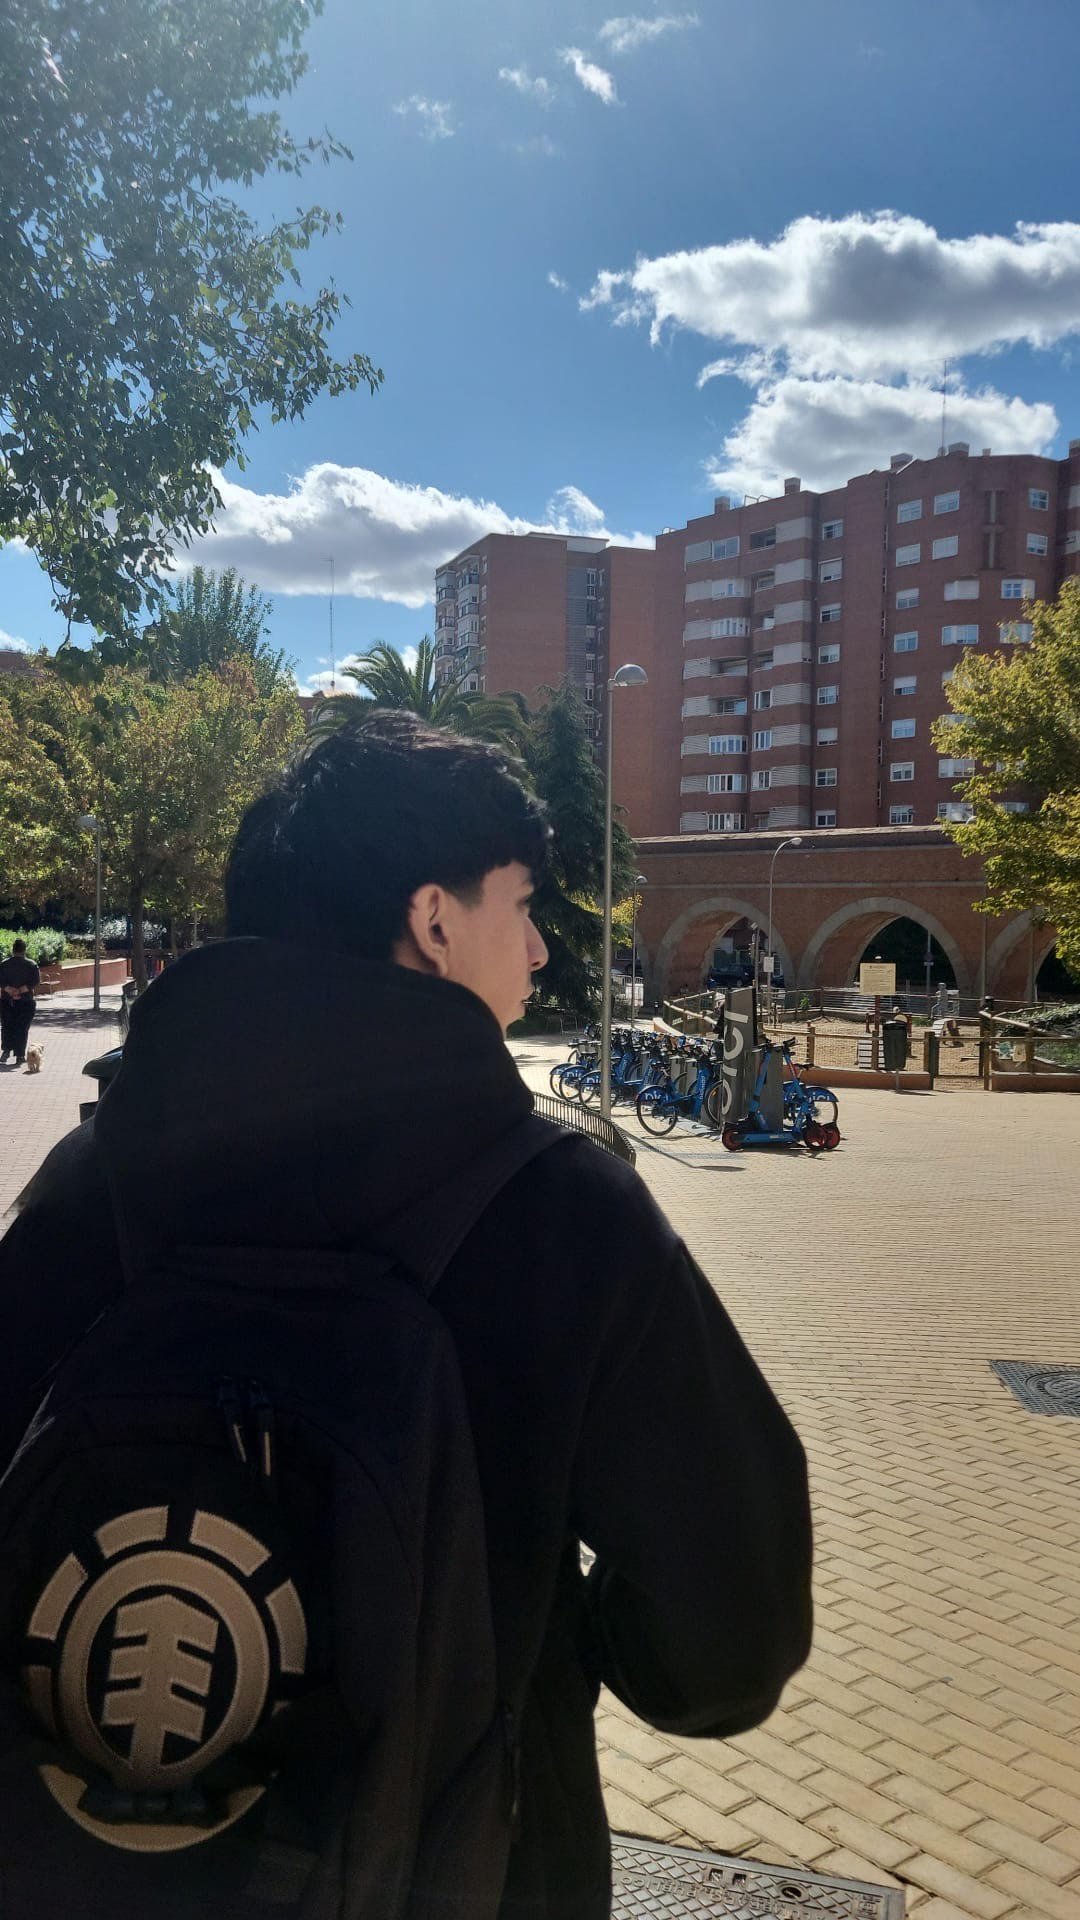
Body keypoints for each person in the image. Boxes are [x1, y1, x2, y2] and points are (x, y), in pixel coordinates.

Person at [0, 714, 811, 1919]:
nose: (538, 949)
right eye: (521, 906)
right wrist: (542, 1636)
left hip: (92, 1865)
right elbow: (730, 1641)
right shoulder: (564, 1213)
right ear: (434, 920)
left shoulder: (90, 1179)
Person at [0, 937, 40, 1065]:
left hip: (7, 1000)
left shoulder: (4, 964)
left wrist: (9, 990)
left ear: (13, 950)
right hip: (25, 1001)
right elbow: (35, 981)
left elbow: (1, 980)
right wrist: (21, 990)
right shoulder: (31, 964)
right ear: (24, 950)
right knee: (22, 1028)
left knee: (7, 1026)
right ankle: (20, 1055)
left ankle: (6, 1051)